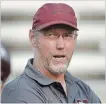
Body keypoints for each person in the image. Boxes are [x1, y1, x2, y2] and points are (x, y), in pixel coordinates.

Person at [1, 3, 101, 103]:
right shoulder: (18, 91)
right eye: (51, 35)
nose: (61, 45)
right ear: (33, 38)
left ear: (75, 39)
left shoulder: (83, 90)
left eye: (67, 35)